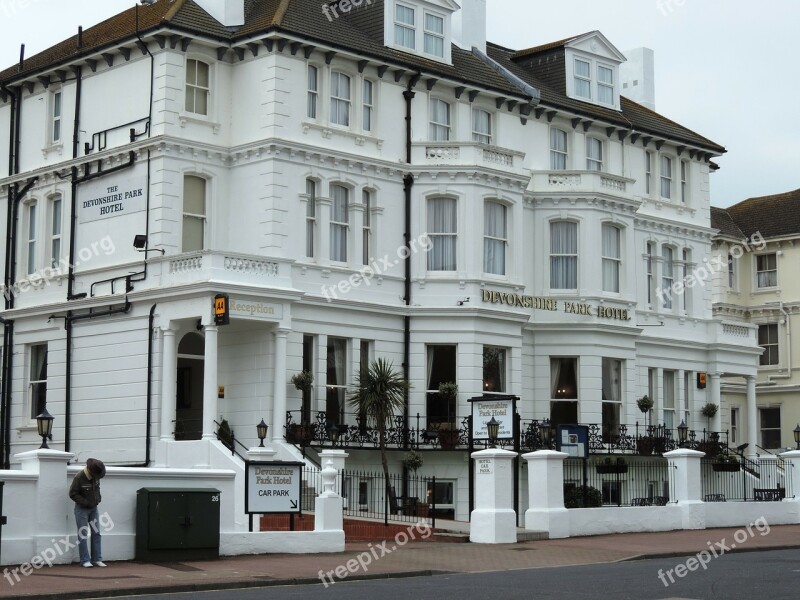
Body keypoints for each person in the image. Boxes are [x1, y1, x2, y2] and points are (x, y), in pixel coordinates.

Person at [68, 458, 107, 568]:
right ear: (90, 470)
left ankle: (97, 559)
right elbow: (72, 493)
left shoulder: (95, 477)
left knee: (96, 533)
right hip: (81, 510)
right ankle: (85, 560)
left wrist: (98, 499)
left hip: (94, 508)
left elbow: (97, 489)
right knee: (83, 535)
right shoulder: (79, 478)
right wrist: (85, 503)